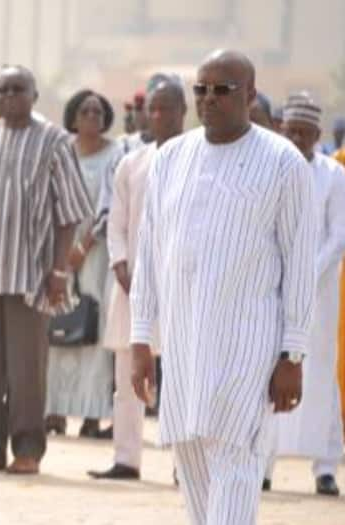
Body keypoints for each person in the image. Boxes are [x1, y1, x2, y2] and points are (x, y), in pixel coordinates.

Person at [130, 50, 316, 525]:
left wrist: (291, 356)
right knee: (191, 461)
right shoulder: (171, 158)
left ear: (250, 95)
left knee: (235, 459)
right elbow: (149, 254)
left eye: (223, 89)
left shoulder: (283, 163)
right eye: (202, 89)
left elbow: (298, 264)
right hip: (184, 343)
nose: (209, 99)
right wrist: (140, 341)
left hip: (247, 345)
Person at [0, 65, 92, 475]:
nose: (9, 96)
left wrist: (59, 272)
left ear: (34, 94)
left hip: (32, 274)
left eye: (18, 89)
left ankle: (28, 449)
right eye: (2, 89)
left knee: (27, 368)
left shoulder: (55, 142)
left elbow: (70, 215)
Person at [88, 79, 187, 481]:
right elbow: (115, 224)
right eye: (154, 108)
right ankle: (127, 458)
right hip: (132, 286)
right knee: (127, 377)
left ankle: (185, 464)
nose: (159, 115)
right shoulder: (132, 162)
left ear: (184, 111)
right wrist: (121, 265)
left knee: (181, 378)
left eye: (167, 108)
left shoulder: (198, 158)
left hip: (181, 287)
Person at [267, 93, 345, 497]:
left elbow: (338, 234)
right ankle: (264, 462)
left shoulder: (334, 175)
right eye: (290, 131)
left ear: (317, 135)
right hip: (274, 291)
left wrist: (306, 273)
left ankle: (325, 467)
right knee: (270, 370)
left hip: (320, 291)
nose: (296, 139)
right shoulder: (270, 168)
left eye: (304, 133)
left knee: (320, 374)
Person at [45, 89, 122, 439]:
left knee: (94, 329)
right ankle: (56, 411)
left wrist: (85, 246)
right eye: (85, 111)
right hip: (61, 253)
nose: (92, 116)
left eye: (98, 111)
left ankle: (92, 414)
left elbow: (112, 206)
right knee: (59, 329)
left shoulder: (115, 154)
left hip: (97, 254)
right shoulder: (61, 152)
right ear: (73, 117)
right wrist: (64, 252)